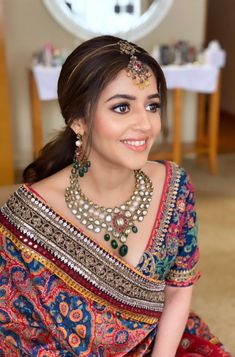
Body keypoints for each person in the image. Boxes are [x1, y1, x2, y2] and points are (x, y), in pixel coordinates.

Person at [0, 35, 231, 357]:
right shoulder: (25, 219)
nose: (146, 124)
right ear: (78, 120)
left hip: (160, 343)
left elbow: (179, 291)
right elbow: (21, 336)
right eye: (122, 107)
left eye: (152, 105)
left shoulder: (175, 185)